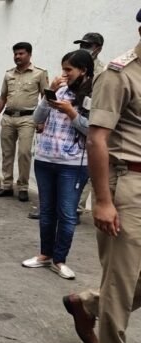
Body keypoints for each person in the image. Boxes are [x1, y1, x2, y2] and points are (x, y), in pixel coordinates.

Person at [62, 10, 141, 343]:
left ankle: (88, 304)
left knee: (126, 284)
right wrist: (104, 200)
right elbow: (96, 139)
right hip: (128, 185)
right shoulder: (117, 75)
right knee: (121, 284)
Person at [20, 50, 93, 280]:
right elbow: (37, 119)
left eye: (69, 70)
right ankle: (45, 255)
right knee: (47, 211)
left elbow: (92, 130)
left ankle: (59, 260)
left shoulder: (94, 94)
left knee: (67, 214)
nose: (64, 74)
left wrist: (71, 112)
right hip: (45, 159)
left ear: (83, 70)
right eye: (63, 69)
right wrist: (47, 96)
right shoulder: (59, 90)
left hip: (73, 164)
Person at [0, 42, 49, 202]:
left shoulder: (39, 73)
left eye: (21, 53)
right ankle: (6, 185)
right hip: (8, 117)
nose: (17, 56)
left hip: (28, 118)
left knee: (24, 153)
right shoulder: (9, 74)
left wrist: (42, 120)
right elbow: (2, 98)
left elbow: (45, 98)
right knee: (7, 152)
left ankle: (23, 187)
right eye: (15, 54)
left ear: (29, 54)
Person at [75, 32, 106, 216]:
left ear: (98, 49)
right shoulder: (75, 64)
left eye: (88, 46)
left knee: (87, 164)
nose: (83, 49)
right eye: (82, 45)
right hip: (71, 115)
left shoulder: (102, 71)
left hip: (91, 118)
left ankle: (76, 208)